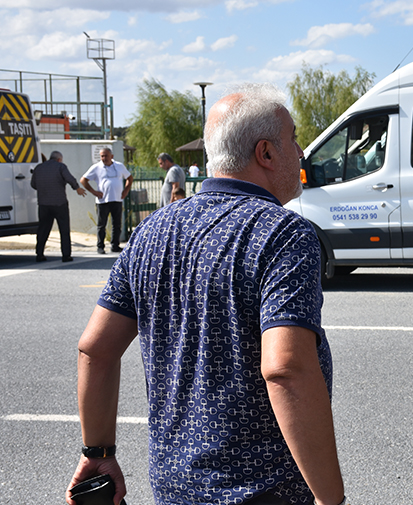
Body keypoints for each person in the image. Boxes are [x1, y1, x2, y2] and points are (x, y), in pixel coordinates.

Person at [66, 83, 346, 505]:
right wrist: (331, 499)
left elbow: (95, 350)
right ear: (266, 153)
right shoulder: (284, 234)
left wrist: (97, 453)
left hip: (174, 487)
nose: (302, 151)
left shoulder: (150, 232)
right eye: (293, 139)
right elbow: (286, 369)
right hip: (263, 493)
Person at [30, 150, 87, 262]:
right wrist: (77, 188)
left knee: (43, 229)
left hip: (43, 204)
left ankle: (39, 254)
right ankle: (66, 255)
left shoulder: (39, 168)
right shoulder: (60, 167)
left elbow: (33, 184)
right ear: (59, 159)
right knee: (64, 229)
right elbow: (70, 178)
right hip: (59, 204)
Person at [80, 148, 133, 254]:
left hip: (117, 199)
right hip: (103, 201)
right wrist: (94, 192)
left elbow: (129, 178)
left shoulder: (119, 166)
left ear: (111, 156)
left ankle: (115, 246)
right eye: (102, 156)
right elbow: (83, 180)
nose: (104, 158)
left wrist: (126, 190)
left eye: (106, 156)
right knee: (101, 225)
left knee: (116, 224)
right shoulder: (96, 167)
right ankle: (100, 246)